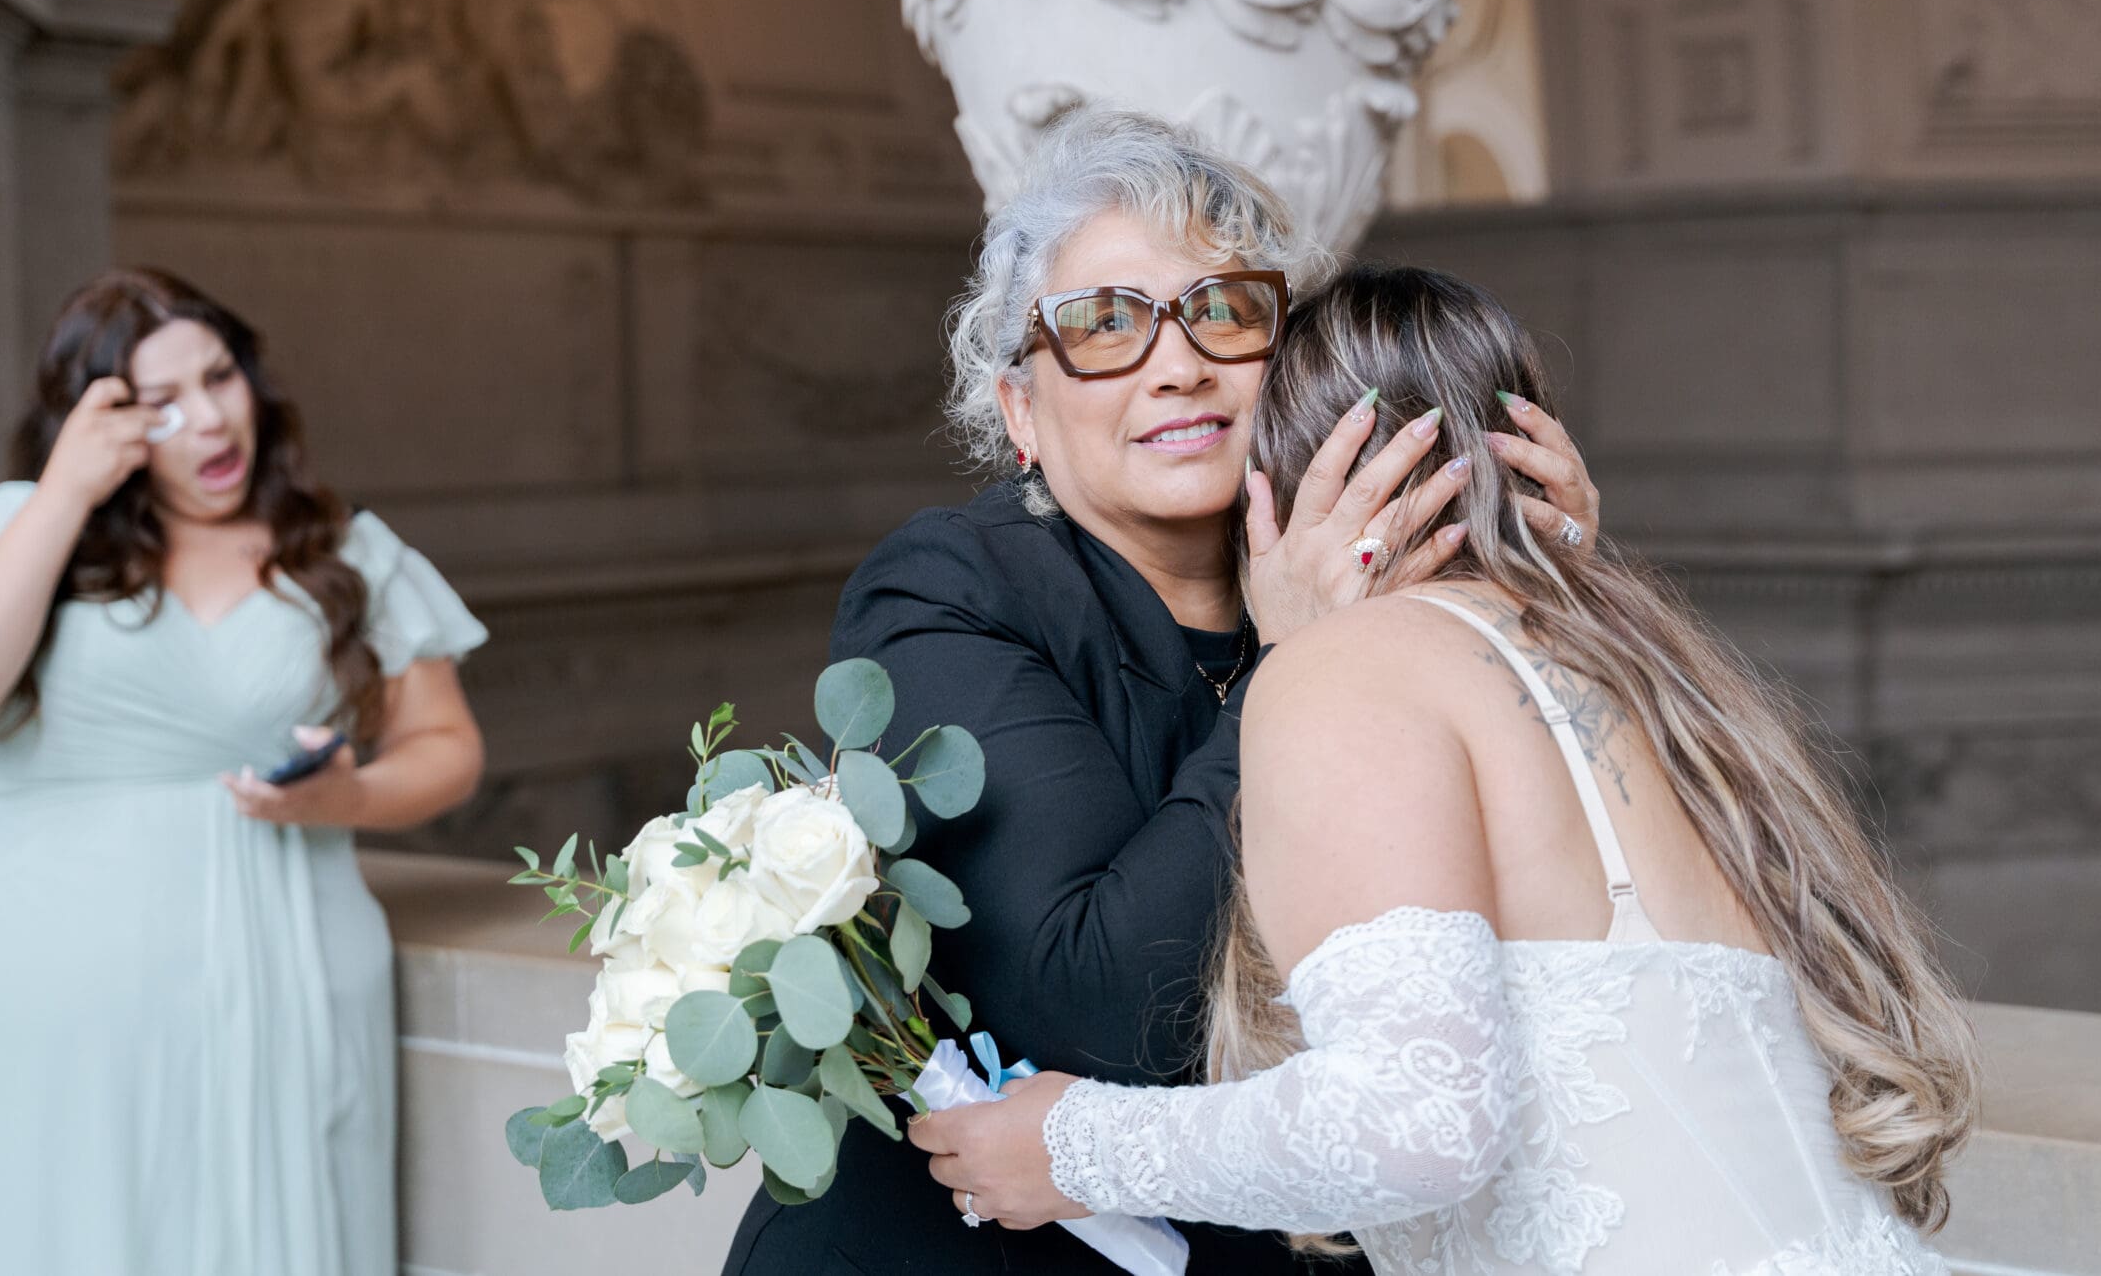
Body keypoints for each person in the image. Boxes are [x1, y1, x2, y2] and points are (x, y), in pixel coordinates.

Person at [908, 265, 1981, 1274]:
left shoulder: (1341, 669)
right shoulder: (1649, 659)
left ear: (1280, 481)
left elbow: (1417, 1127)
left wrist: (1073, 1148)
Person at [724, 113, 1600, 1276]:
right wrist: (1297, 660)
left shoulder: (1355, 581)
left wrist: (1543, 595)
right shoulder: (947, 590)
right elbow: (1093, 1007)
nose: (1175, 362)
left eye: (1222, 311)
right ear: (1023, 410)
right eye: (1101, 326)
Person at [0, 268, 489, 1276]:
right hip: (45, 1012)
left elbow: (447, 747)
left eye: (220, 378)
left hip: (292, 998)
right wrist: (66, 493)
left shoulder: (341, 552)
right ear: (95, 422)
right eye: (163, 404)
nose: (211, 421)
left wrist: (349, 797)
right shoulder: (12, 528)